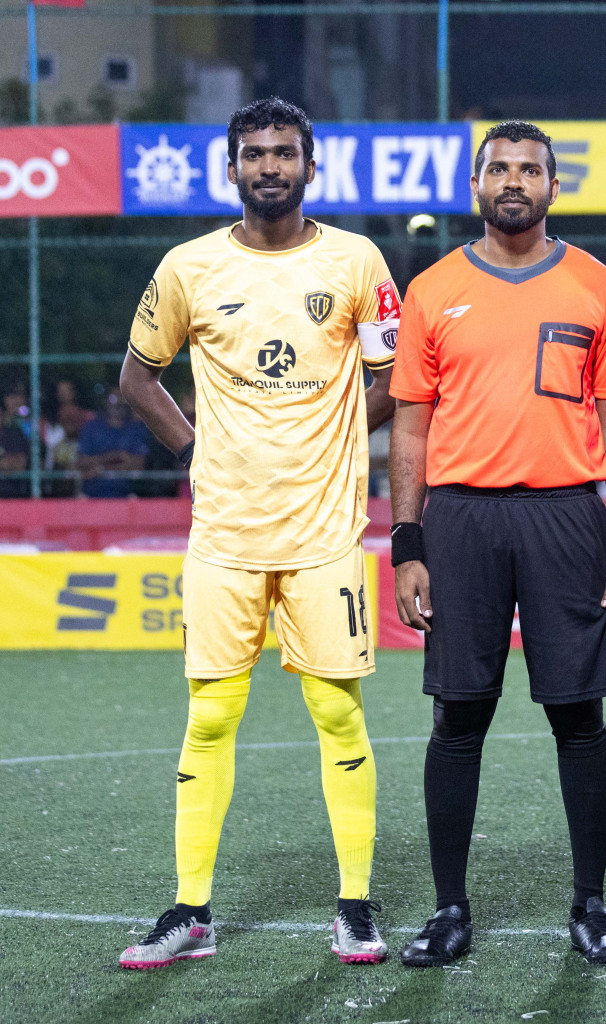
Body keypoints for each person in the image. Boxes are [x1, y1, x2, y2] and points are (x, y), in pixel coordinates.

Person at [117, 97, 401, 969]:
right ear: (231, 168)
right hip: (225, 537)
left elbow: (393, 375)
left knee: (335, 713)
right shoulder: (188, 267)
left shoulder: (356, 260)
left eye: (284, 153)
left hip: (324, 535)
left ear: (310, 167)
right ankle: (189, 912)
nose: (269, 166)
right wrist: (197, 446)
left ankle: (355, 906)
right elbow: (137, 377)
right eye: (254, 154)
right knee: (209, 717)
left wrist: (341, 438)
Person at [389, 120, 606, 968]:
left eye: (529, 169)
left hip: (567, 515)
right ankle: (449, 909)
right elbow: (412, 431)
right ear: (476, 186)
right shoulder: (432, 288)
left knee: (578, 713)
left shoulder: (597, 285)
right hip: (461, 518)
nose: (513, 180)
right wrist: (407, 542)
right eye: (498, 167)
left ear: (553, 187)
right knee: (458, 715)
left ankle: (592, 904)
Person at [76, 388, 150, 498]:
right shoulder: (91, 427)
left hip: (126, 494)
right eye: (114, 398)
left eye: (122, 398)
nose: (118, 403)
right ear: (106, 402)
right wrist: (116, 456)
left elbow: (139, 465)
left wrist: (100, 468)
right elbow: (81, 462)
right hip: (91, 493)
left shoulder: (136, 429)